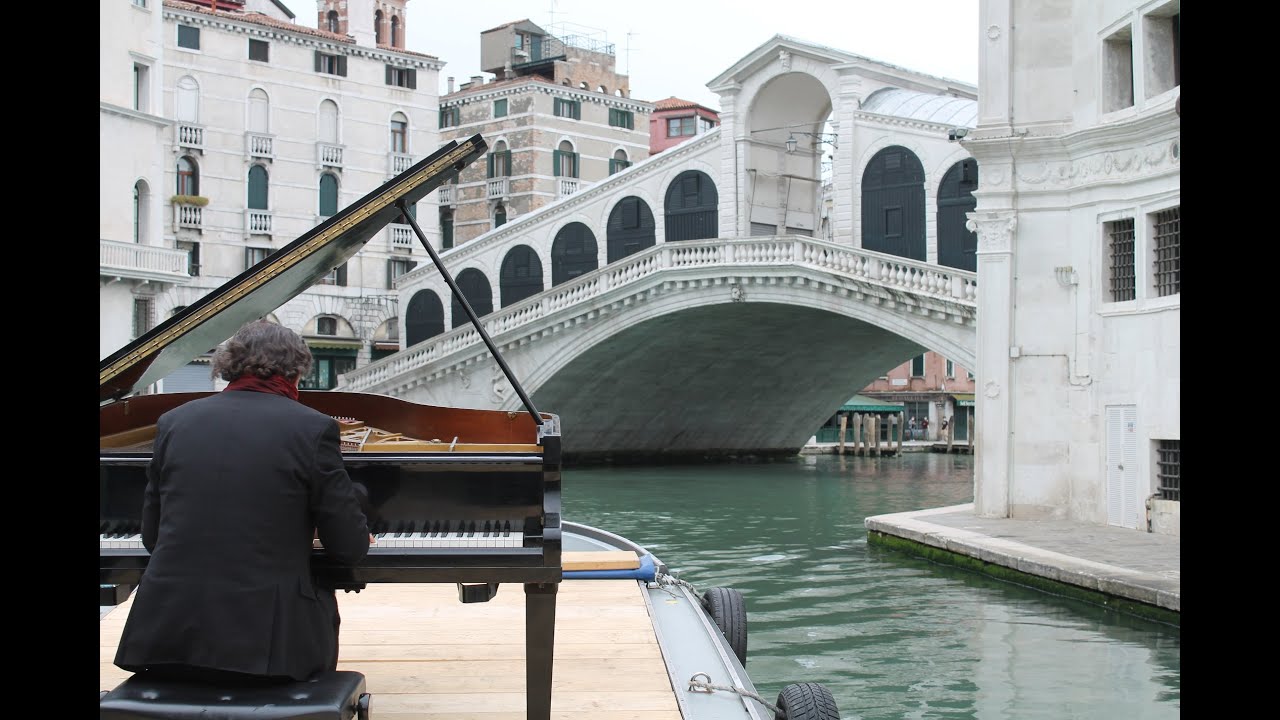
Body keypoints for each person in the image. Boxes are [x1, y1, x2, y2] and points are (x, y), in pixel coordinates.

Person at [114, 319, 372, 685]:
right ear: (296, 371)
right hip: (269, 653)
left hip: (165, 641)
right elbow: (349, 549)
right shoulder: (313, 428)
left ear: (227, 366)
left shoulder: (174, 422)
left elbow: (153, 539)